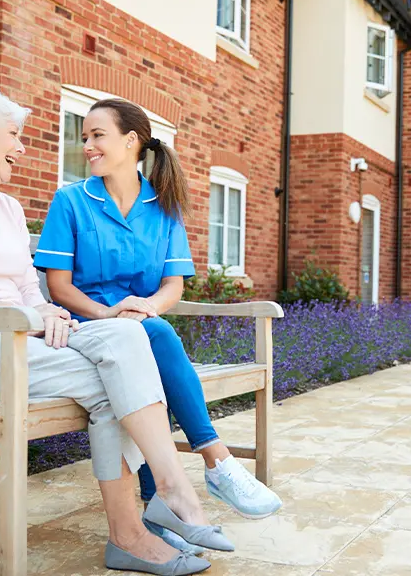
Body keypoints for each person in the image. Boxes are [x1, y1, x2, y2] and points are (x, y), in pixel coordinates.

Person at [0, 87, 229, 575]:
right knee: (115, 382)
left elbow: (30, 286)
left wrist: (44, 313)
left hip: (17, 341)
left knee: (129, 337)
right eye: (14, 136)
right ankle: (152, 515)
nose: (23, 148)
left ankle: (160, 506)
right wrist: (31, 318)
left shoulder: (6, 208)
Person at [33, 98, 282, 551]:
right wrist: (112, 314)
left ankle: (158, 510)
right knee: (155, 338)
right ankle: (217, 462)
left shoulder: (163, 206)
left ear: (131, 141)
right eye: (84, 137)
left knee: (149, 342)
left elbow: (173, 286)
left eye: (97, 135)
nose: (87, 145)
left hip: (140, 329)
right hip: (86, 331)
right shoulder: (71, 200)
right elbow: (59, 288)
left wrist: (145, 308)